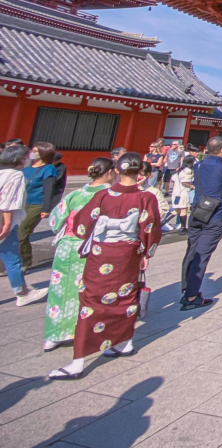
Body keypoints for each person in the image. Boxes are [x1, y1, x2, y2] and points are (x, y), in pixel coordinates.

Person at [47, 152, 161, 379]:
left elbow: (82, 225)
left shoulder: (103, 196)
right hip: (129, 253)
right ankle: (124, 342)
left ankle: (78, 361)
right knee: (126, 296)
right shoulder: (146, 198)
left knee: (91, 300)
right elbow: (151, 228)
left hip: (102, 253)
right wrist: (147, 251)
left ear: (117, 170)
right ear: (140, 172)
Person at [43, 158, 116, 351]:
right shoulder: (111, 195)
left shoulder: (74, 194)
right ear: (109, 173)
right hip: (95, 248)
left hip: (67, 247)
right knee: (94, 292)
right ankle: (91, 333)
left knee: (61, 292)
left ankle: (56, 333)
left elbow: (54, 221)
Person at [180, 137, 222, 311]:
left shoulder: (199, 165)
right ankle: (192, 297)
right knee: (201, 255)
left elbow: (214, 178)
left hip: (197, 213)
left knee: (191, 251)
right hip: (214, 216)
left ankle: (186, 289)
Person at [0, 144, 48, 307]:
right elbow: (8, 202)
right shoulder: (15, 176)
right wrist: (7, 224)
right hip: (5, 222)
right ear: (20, 158)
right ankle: (22, 293)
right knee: (12, 260)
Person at [19, 141, 58, 270]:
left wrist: (47, 208)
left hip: (36, 205)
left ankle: (25, 260)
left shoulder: (48, 168)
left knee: (22, 232)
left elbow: (49, 190)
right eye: (32, 150)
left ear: (44, 153)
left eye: (36, 151)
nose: (32, 153)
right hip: (21, 203)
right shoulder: (26, 169)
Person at [171, 155, 195, 231]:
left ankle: (162, 222)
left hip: (176, 192)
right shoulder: (188, 170)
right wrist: (192, 186)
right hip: (183, 192)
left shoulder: (180, 169)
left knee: (177, 210)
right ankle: (183, 228)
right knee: (183, 209)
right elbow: (185, 182)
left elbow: (173, 178)